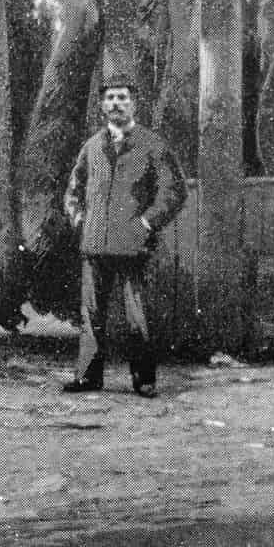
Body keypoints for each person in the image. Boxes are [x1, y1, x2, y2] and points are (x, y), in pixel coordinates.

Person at [59, 70, 186, 398]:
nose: (116, 104)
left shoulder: (152, 145)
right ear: (102, 105)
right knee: (91, 315)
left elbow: (173, 192)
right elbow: (73, 190)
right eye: (110, 98)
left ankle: (144, 380)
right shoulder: (91, 147)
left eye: (123, 98)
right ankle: (88, 377)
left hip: (132, 245)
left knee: (136, 315)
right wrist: (80, 221)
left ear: (134, 104)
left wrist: (145, 224)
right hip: (95, 243)